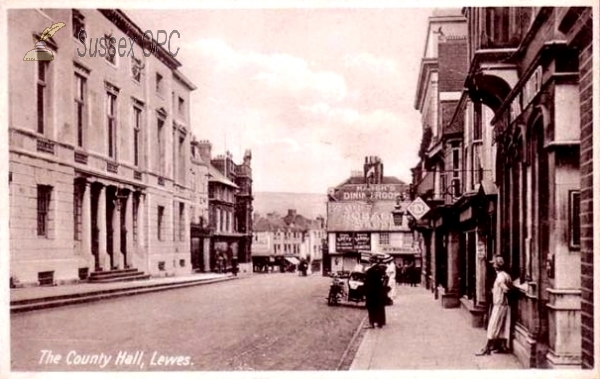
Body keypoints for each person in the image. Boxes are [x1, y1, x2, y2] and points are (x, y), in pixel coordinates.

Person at [476, 255, 514, 356]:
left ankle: (487, 348)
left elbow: (506, 289)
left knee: (493, 325)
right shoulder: (507, 275)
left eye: (494, 264)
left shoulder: (500, 276)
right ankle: (501, 346)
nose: (493, 266)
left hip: (499, 304)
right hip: (505, 305)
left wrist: (500, 292)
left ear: (496, 266)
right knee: (502, 326)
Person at [363, 261, 387, 328]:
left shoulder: (370, 271)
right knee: (378, 307)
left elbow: (367, 282)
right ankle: (380, 323)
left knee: (371, 308)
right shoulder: (380, 270)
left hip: (371, 292)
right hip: (379, 292)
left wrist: (365, 291)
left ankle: (372, 323)